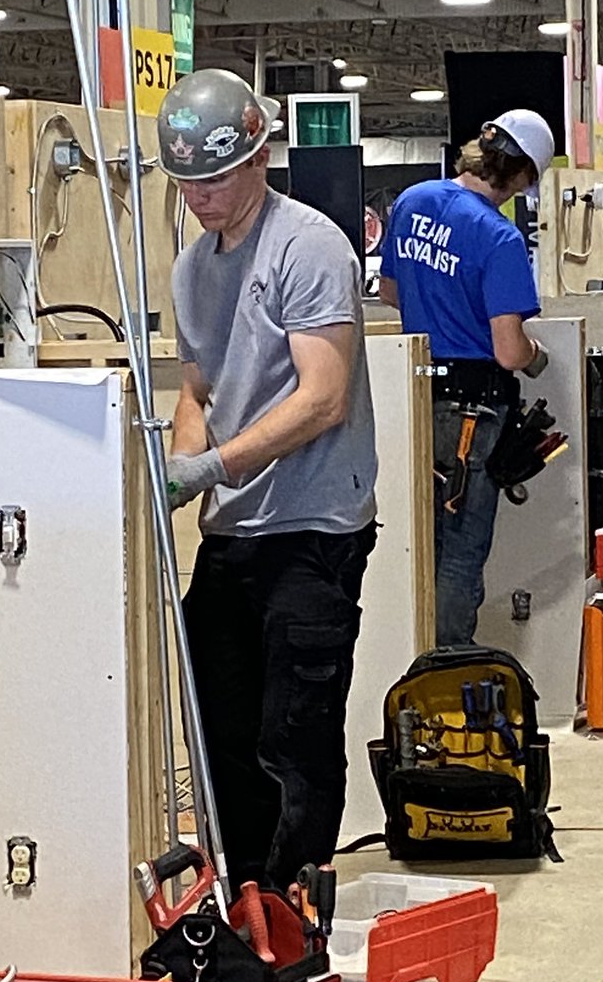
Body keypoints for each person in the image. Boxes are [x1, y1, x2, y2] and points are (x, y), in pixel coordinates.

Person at [157, 68, 378, 894]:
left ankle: (294, 904)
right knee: (220, 730)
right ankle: (242, 893)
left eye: (215, 178)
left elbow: (323, 398)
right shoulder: (191, 270)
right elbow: (198, 390)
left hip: (313, 531)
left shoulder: (309, 245)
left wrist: (214, 466)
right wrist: (184, 468)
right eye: (187, 183)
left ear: (258, 158)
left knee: (294, 734)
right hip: (235, 532)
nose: (202, 198)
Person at [378, 109, 554, 646]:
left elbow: (390, 293)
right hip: (472, 413)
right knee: (458, 552)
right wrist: (536, 355)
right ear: (521, 173)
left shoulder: (413, 201)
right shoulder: (498, 237)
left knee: (415, 545)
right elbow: (507, 351)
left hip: (416, 392)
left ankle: (410, 663)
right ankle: (449, 670)